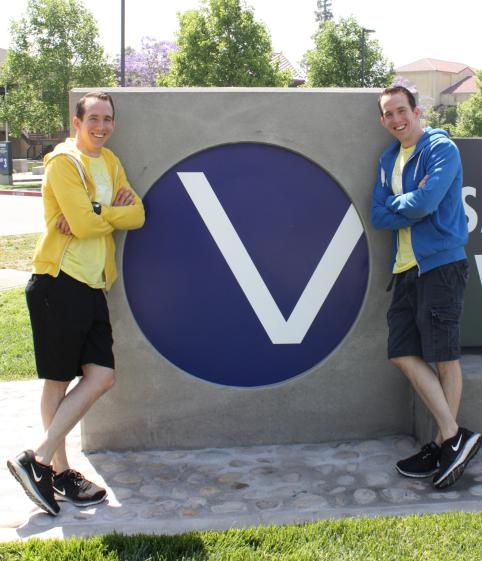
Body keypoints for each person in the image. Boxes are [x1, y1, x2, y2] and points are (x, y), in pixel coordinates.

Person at [7, 91, 145, 515]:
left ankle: (39, 459)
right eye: (93, 119)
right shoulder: (64, 162)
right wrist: (99, 215)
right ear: (76, 122)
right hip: (57, 282)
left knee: (101, 376)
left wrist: (93, 211)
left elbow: (137, 214)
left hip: (93, 284)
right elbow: (82, 224)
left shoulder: (112, 163)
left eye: (107, 119)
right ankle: (59, 472)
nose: (101, 127)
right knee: (57, 382)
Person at [371, 85, 481, 489]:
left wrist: (400, 206)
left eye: (402, 110)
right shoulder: (387, 159)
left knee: (444, 358)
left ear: (417, 111)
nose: (397, 120)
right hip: (404, 270)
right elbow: (377, 215)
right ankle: (455, 437)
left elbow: (424, 204)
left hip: (441, 266)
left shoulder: (440, 149)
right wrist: (405, 207)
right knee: (401, 352)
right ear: (383, 121)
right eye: (389, 115)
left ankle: (442, 445)